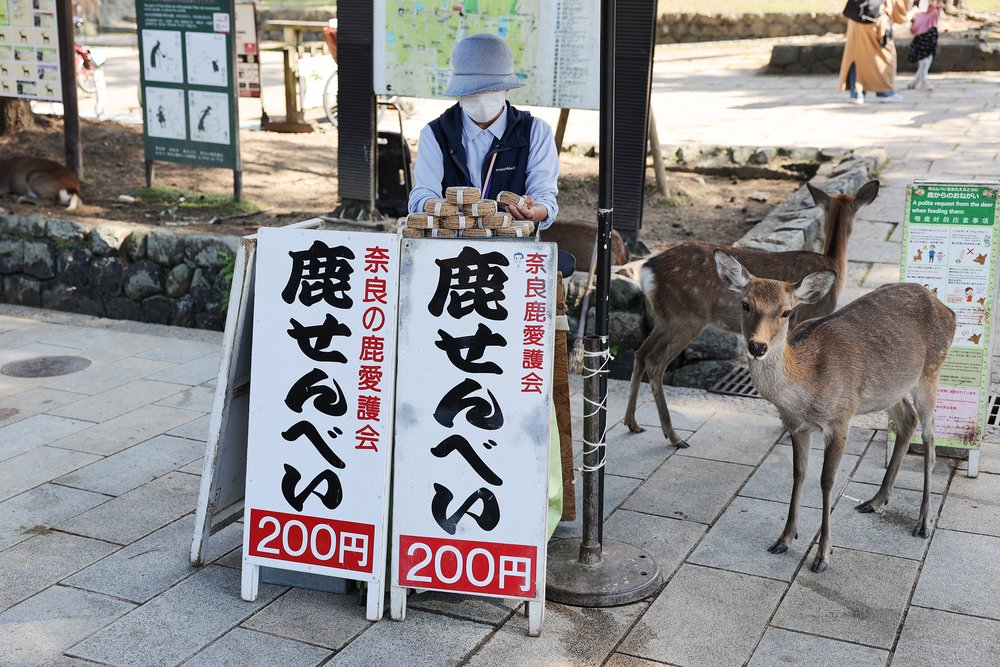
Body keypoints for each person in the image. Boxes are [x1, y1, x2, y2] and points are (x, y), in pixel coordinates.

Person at [407, 33, 559, 229]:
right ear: (459, 92)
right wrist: (438, 209)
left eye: (490, 90)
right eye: (471, 91)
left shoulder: (535, 132)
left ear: (506, 89)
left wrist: (534, 212)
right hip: (450, 243)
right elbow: (422, 194)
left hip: (514, 244)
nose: (480, 97)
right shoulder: (436, 134)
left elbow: (544, 197)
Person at [839, 0, 912, 105]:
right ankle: (885, 92)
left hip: (856, 19)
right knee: (884, 57)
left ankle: (857, 94)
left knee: (856, 57)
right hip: (877, 22)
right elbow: (899, 14)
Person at [907, 0, 944, 90]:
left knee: (927, 61)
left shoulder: (934, 12)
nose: (930, 3)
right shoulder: (918, 15)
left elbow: (939, 8)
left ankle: (916, 81)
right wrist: (913, 19)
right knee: (924, 62)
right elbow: (913, 29)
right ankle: (923, 81)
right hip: (921, 40)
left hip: (930, 39)